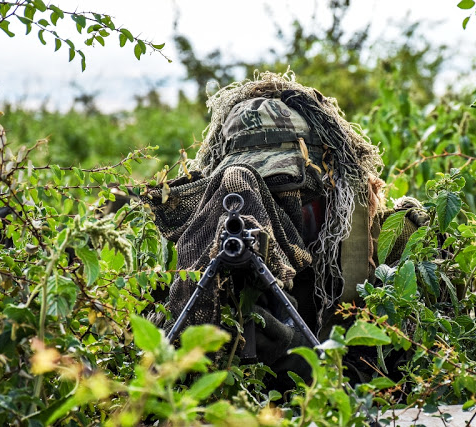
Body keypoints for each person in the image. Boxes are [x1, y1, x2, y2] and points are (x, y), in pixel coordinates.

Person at [143, 71, 427, 386]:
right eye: (253, 196)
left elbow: (405, 378)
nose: (262, 213)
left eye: (283, 191)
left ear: (331, 181)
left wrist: (293, 355)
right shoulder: (192, 249)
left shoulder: (395, 242)